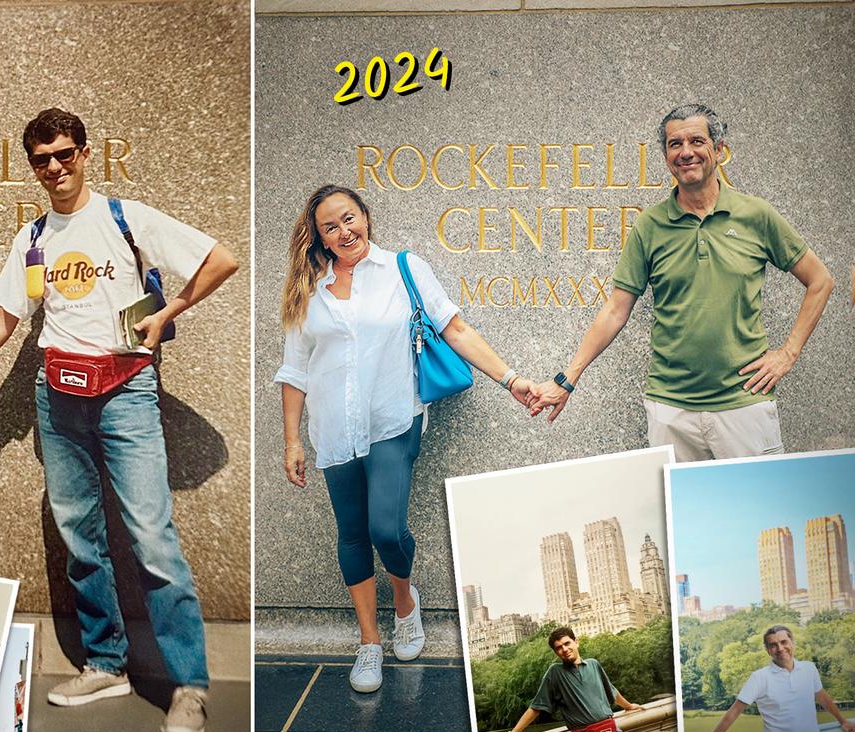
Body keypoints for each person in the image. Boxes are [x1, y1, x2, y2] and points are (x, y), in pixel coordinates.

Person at [0, 107, 237, 732]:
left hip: (126, 390)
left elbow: (221, 259)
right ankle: (106, 664)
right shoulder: (33, 238)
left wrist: (166, 313)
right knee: (80, 536)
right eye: (41, 160)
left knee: (151, 537)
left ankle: (189, 685)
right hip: (58, 395)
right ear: (32, 167)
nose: (54, 167)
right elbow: (4, 318)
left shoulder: (125, 218)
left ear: (84, 153)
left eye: (63, 154)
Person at [275, 184, 535, 693]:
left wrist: (511, 379)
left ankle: (404, 601)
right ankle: (369, 641)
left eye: (349, 218)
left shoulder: (403, 269)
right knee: (351, 534)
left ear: (365, 217)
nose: (343, 231)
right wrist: (292, 441)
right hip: (334, 428)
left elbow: (455, 330)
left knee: (386, 530)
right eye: (330, 227)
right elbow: (294, 370)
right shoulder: (308, 291)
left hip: (394, 418)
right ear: (320, 238)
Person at [528, 103, 834, 461]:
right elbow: (615, 310)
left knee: (756, 500)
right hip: (670, 409)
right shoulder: (650, 226)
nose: (686, 152)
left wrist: (787, 354)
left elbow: (820, 280)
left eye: (696, 141)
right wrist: (567, 379)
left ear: (718, 149)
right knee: (677, 501)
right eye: (675, 144)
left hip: (743, 403)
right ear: (666, 157)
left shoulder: (756, 215)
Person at [687, 625, 855, 732]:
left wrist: (842, 721)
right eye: (773, 645)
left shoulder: (809, 668)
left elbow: (822, 697)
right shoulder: (760, 678)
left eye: (784, 642)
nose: (780, 648)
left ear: (792, 643)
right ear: (768, 650)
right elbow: (734, 712)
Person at [490, 627, 644, 732]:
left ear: (576, 642)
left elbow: (612, 692)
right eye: (558, 647)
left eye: (567, 643)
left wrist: (629, 706)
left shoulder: (594, 664)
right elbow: (536, 707)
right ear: (556, 652)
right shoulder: (555, 673)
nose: (564, 649)